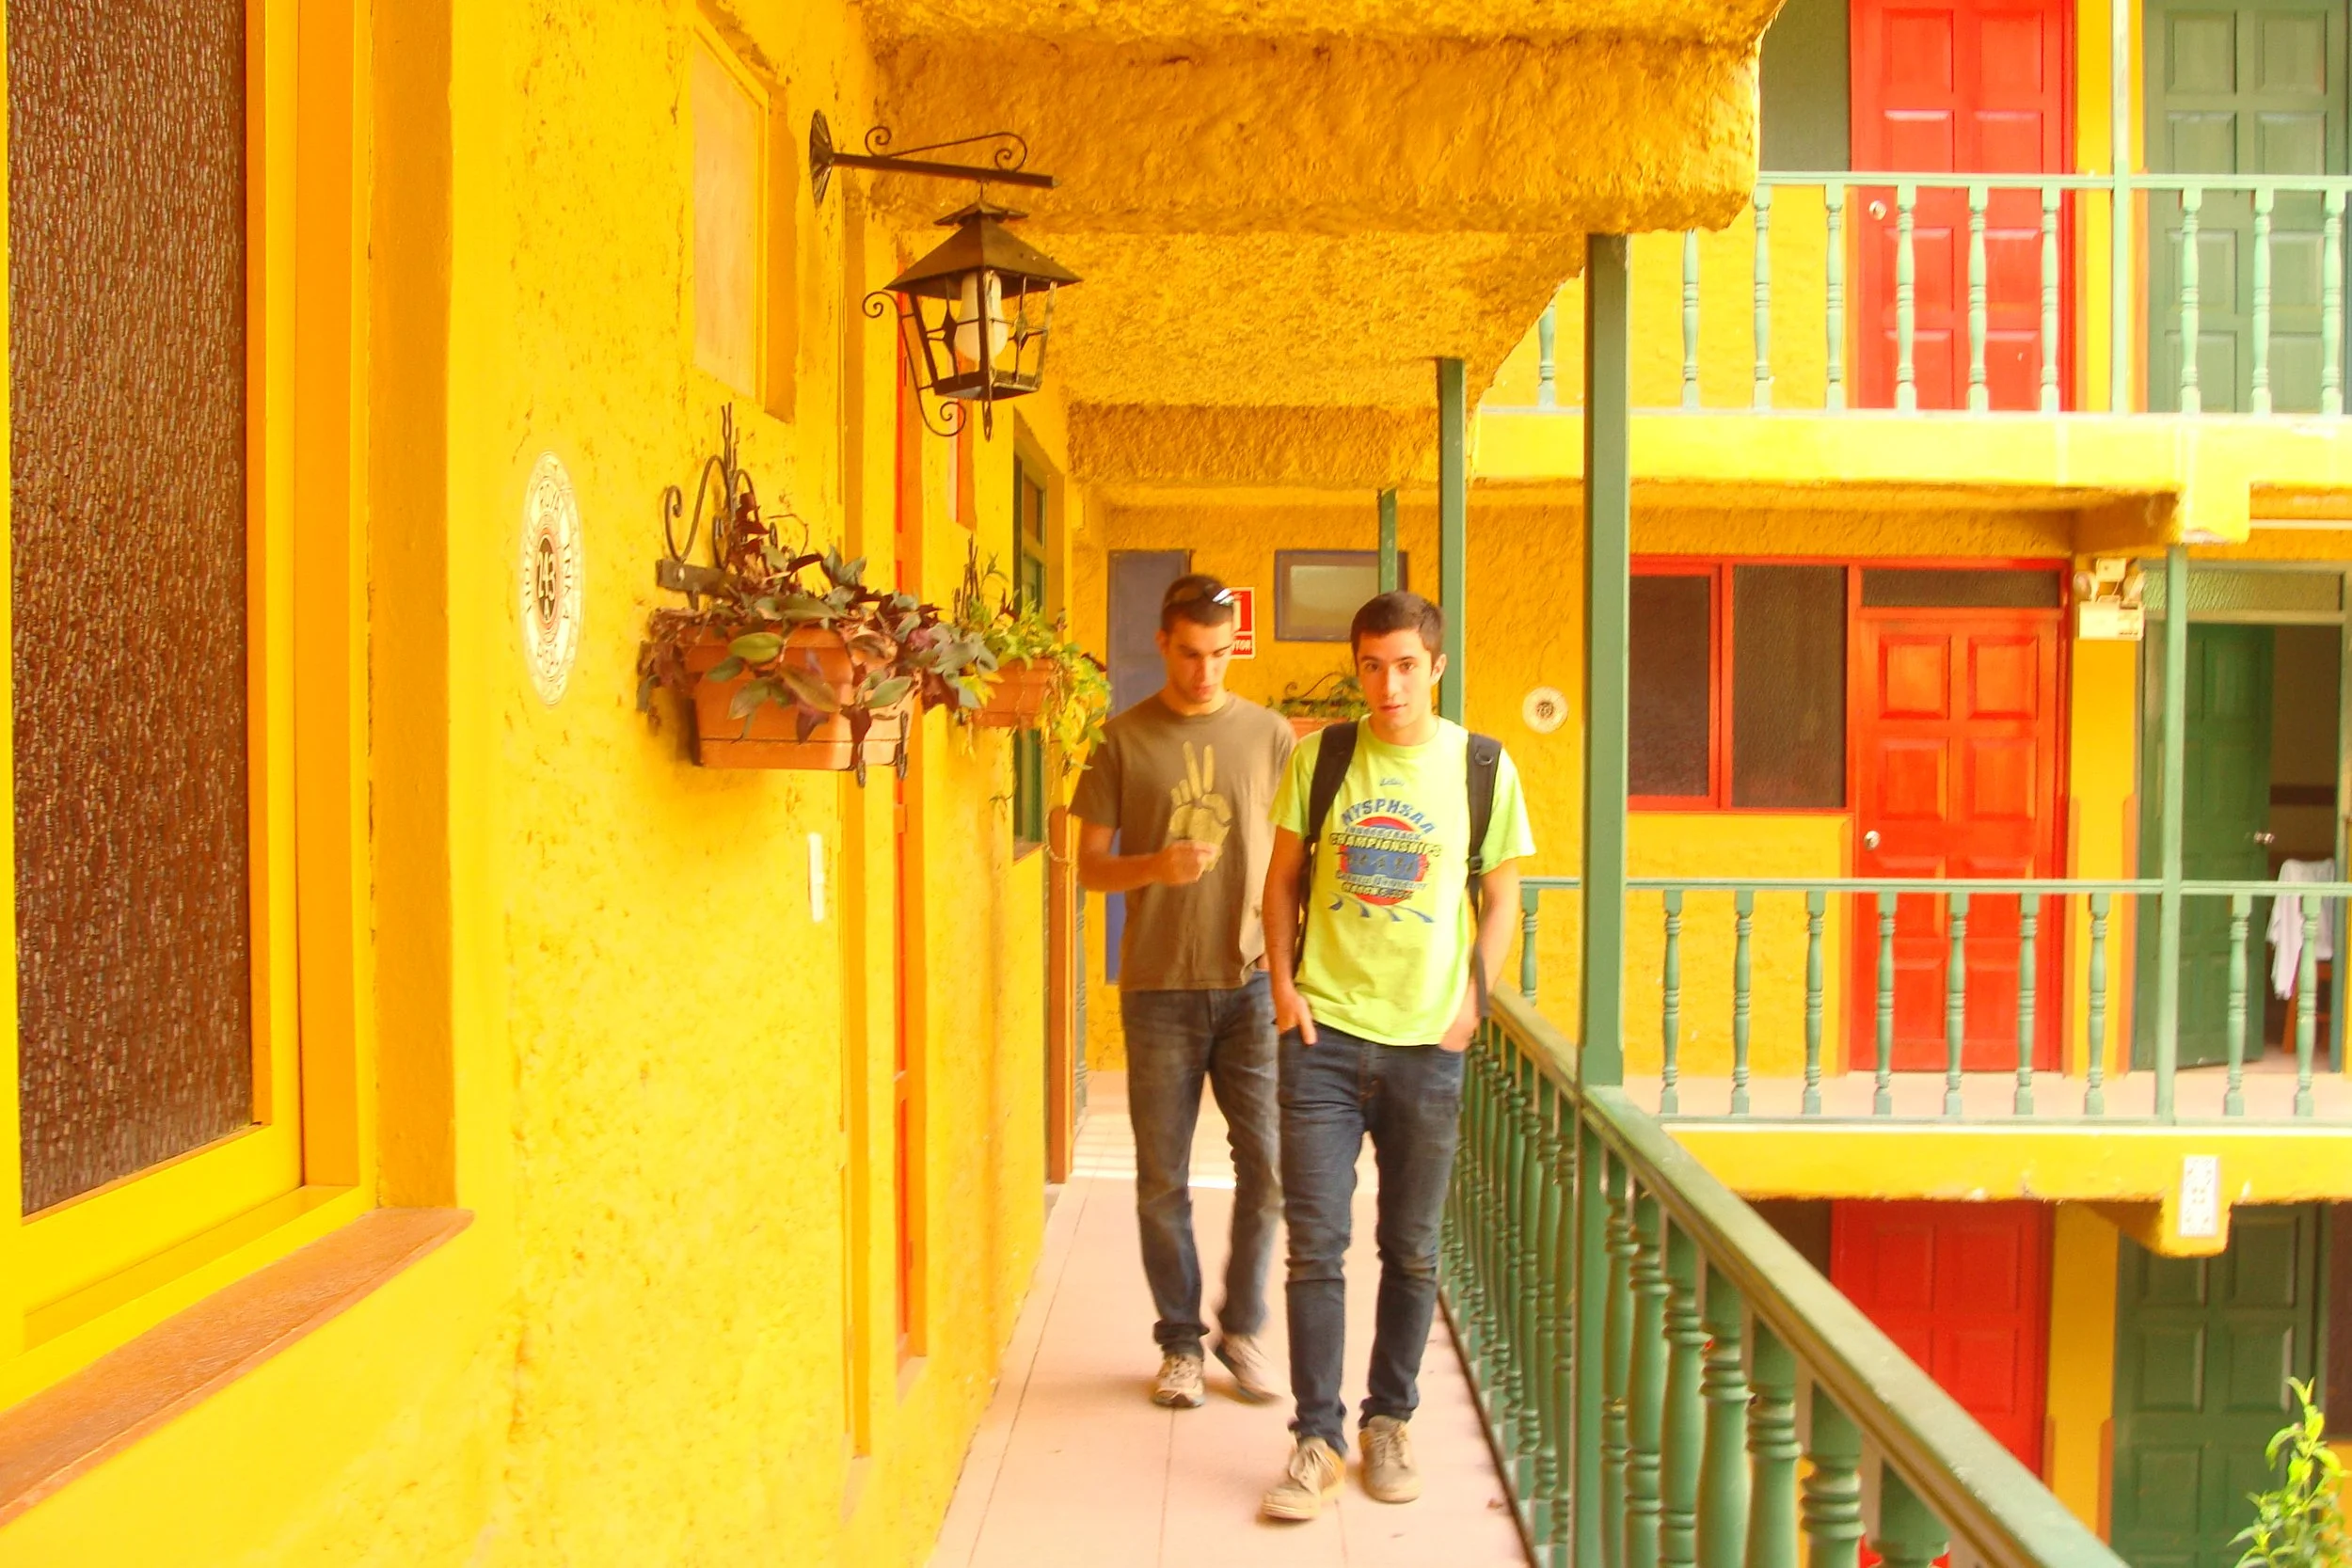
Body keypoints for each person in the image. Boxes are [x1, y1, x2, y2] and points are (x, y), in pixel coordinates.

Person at [1256, 591, 1534, 1520]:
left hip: (1427, 1045)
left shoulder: (1482, 765)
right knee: (1316, 1247)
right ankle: (1315, 1436)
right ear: (1357, 665)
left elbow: (1501, 898)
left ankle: (1389, 1420)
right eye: (1372, 664)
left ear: (1437, 665)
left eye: (1406, 663)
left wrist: (1471, 1001)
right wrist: (1286, 988)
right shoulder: (1322, 757)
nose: (1388, 683)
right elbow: (1281, 878)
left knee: (1410, 1248)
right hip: (1323, 1040)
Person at [1072, 573, 1296, 1409]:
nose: (1206, 672)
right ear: (1164, 645)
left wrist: (1288, 968)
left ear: (1234, 647)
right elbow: (1090, 867)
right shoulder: (1120, 739)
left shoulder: (1271, 736)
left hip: (1246, 986)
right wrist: (1155, 867)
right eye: (1191, 654)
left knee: (1267, 1169)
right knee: (1162, 1177)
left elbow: (1294, 859)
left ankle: (1241, 1327)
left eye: (1220, 654)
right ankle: (1179, 1345)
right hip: (1160, 988)